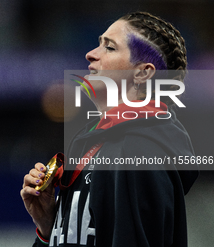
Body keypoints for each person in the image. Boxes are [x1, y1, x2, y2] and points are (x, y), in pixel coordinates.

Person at [20, 12, 198, 247]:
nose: (91, 54)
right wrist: (49, 227)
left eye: (110, 47)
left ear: (143, 73)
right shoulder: (98, 142)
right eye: (98, 44)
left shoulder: (139, 150)